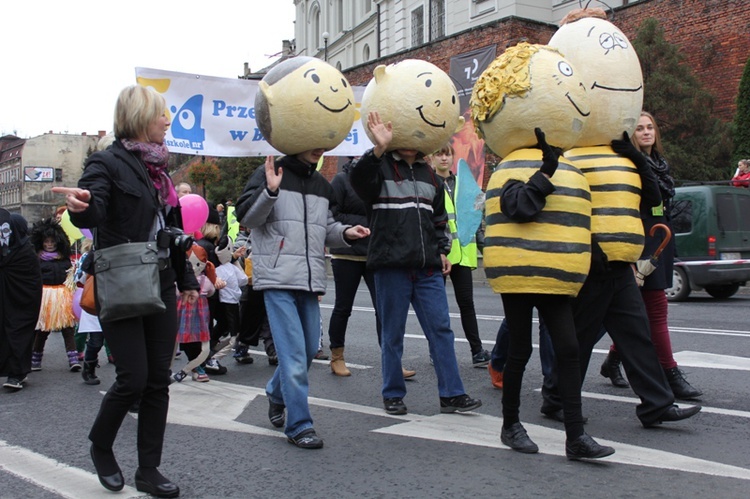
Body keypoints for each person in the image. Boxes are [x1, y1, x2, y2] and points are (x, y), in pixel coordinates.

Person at [543, 9, 701, 427]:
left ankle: (656, 405)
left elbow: (652, 198)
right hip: (592, 263)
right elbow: (566, 209)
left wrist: (634, 155)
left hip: (623, 263)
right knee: (578, 337)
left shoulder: (626, 158)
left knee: (637, 337)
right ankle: (555, 395)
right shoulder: (570, 156)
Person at [55, 84, 199, 497]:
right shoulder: (106, 163)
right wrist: (83, 203)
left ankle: (148, 470)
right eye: (161, 115)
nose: (168, 122)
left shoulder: (161, 174)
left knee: (157, 380)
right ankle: (101, 445)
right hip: (121, 282)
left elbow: (169, 232)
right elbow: (95, 206)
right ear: (138, 118)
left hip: (162, 282)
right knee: (132, 378)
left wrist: (186, 280)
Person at [350, 112, 482, 417]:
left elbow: (438, 219)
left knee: (441, 329)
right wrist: (378, 149)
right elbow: (357, 179)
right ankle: (393, 393)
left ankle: (452, 393)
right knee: (393, 334)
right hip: (391, 266)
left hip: (427, 268)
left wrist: (443, 249)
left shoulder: (429, 173)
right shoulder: (378, 166)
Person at [235, 152, 370, 449]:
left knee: (309, 350)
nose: (317, 148)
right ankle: (299, 424)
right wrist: (270, 191)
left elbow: (326, 227)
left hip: (308, 281)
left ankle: (275, 392)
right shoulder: (271, 171)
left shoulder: (321, 183)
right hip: (277, 278)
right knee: (294, 356)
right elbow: (247, 218)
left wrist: (346, 232)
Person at [599, 112, 702, 399]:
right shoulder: (631, 164)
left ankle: (613, 361)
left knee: (640, 312)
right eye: (640, 128)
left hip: (660, 237)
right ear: (631, 135)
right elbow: (648, 198)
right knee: (653, 311)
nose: (646, 132)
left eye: (650, 127)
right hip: (640, 238)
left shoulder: (659, 163)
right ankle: (670, 372)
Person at [327, 156, 418, 378]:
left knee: (384, 309)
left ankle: (392, 360)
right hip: (346, 253)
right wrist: (358, 224)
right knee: (343, 308)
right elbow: (332, 214)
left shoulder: (381, 178)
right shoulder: (341, 180)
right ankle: (337, 356)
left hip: (376, 254)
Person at [429, 144, 491, 367]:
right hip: (440, 255)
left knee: (467, 304)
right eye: (439, 153)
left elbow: (475, 220)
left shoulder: (463, 184)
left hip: (463, 254)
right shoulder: (429, 183)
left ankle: (477, 351)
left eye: (447, 154)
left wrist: (487, 251)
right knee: (437, 308)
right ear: (432, 158)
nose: (444, 158)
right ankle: (436, 350)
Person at [29, 218, 80, 372]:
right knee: (43, 329)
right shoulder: (36, 259)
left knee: (68, 327)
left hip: (62, 295)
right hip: (45, 296)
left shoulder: (64, 258)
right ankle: (35, 359)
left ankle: (73, 359)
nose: (49, 244)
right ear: (41, 242)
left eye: (52, 241)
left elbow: (70, 277)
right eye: (46, 241)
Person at [0, 210, 43, 391]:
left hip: (22, 305)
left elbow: (32, 281)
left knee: (18, 335)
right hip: (4, 303)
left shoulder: (26, 253)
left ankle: (17, 373)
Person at [172, 243, 216, 383]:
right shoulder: (184, 281)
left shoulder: (204, 281)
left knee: (198, 343)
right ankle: (170, 367)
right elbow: (211, 292)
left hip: (194, 315)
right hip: (191, 314)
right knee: (175, 341)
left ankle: (194, 368)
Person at [76, 239, 105, 385]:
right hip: (95, 304)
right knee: (96, 341)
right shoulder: (91, 256)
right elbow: (80, 278)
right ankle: (88, 369)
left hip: (115, 303)